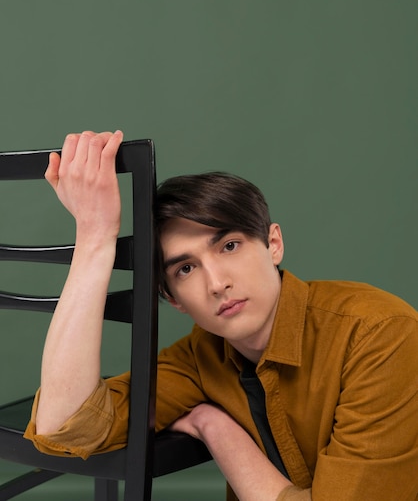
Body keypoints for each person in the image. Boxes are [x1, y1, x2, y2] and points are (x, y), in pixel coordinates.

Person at [24, 131, 418, 501]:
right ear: (172, 298)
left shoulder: (380, 335)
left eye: (229, 246)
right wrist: (95, 238)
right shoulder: (201, 358)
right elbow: (65, 427)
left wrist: (216, 428)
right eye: (186, 269)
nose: (216, 283)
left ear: (274, 244)